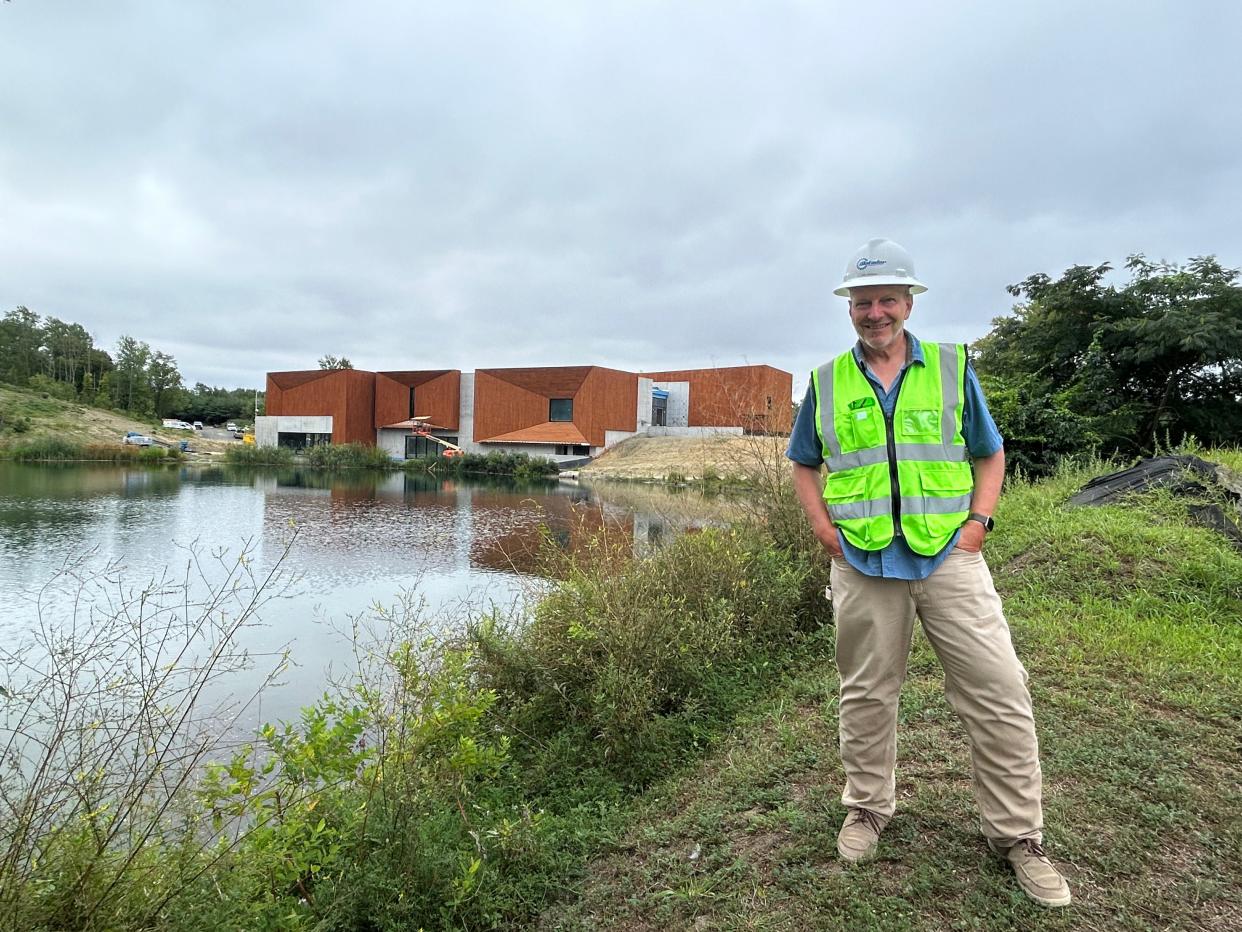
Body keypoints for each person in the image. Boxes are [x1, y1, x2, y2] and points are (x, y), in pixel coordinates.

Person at [786, 238, 1071, 908]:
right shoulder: (826, 381)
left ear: (909, 303)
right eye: (862, 302)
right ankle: (867, 809)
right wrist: (823, 526)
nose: (874, 312)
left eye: (887, 299)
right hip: (861, 561)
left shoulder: (950, 366)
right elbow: (804, 461)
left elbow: (989, 453)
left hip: (949, 557)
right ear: (849, 308)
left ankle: (1019, 837)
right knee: (866, 693)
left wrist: (978, 524)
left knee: (999, 691)